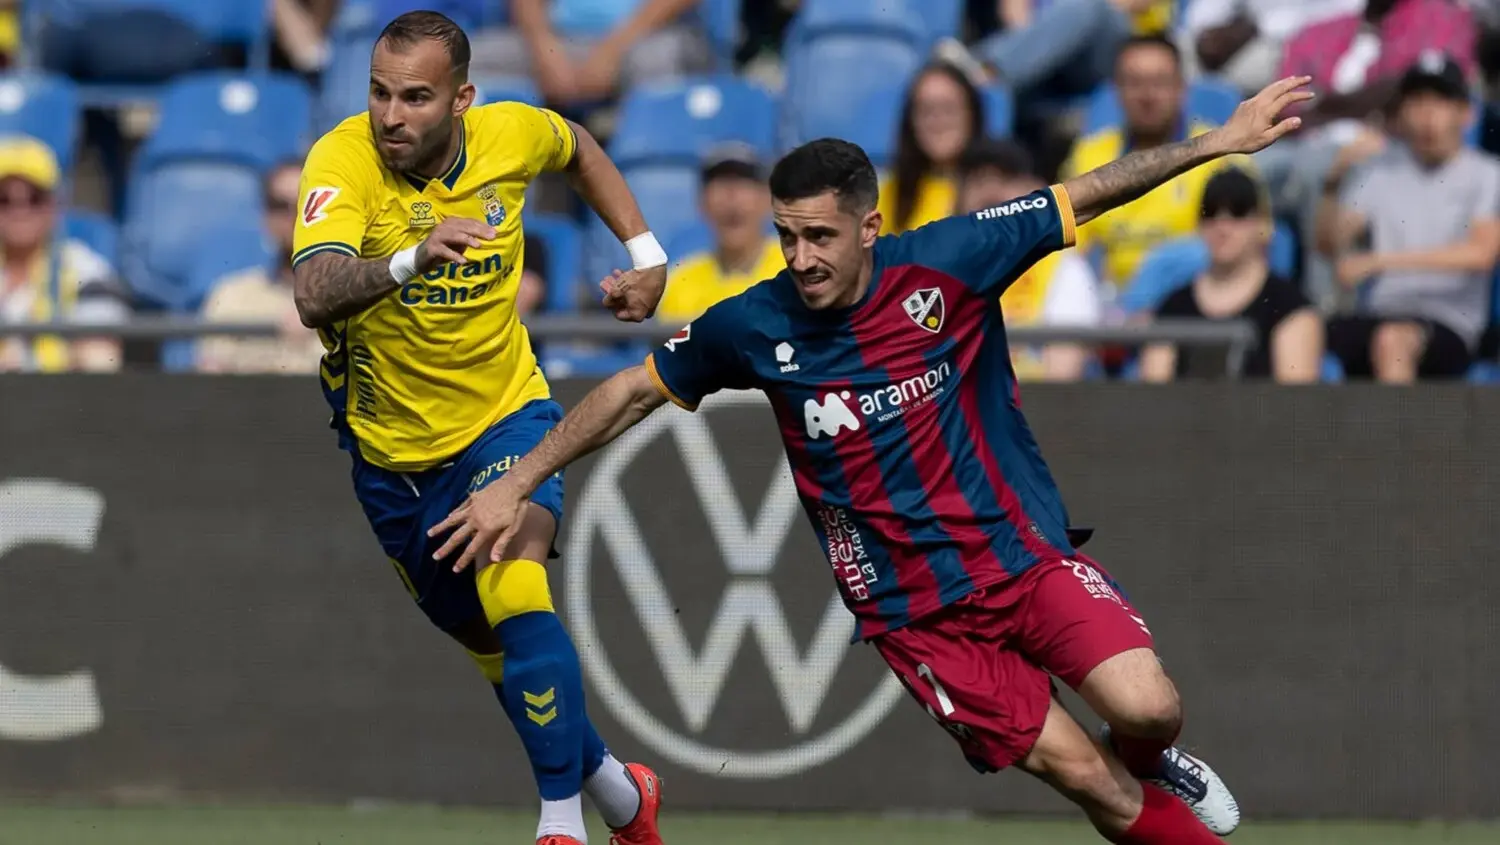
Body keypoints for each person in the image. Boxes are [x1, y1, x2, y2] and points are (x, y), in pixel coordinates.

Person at [433, 75, 1319, 845]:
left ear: (870, 225)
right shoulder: (755, 321)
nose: (801, 258)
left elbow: (1087, 191)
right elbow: (630, 390)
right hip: (915, 613)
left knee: (1149, 709)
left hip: (1021, 555)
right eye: (787, 236)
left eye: (820, 236)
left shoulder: (953, 259)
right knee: (1092, 783)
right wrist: (516, 480)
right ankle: (1145, 791)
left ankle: (1160, 760)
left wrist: (1220, 143)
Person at [288, 13, 668, 845]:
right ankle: (620, 793)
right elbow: (313, 292)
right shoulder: (342, 160)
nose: (392, 115)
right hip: (390, 457)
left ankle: (558, 825)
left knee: (513, 575)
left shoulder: (510, 135)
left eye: (416, 97)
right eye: (381, 93)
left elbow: (579, 148)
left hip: (505, 418)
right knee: (487, 639)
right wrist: (411, 258)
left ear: (462, 99)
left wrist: (646, 251)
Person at [1317, 52, 1500, 383]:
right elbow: (1330, 245)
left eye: (1440, 101)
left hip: (1451, 321)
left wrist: (1380, 261)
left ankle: (1398, 436)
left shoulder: (1488, 175)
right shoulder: (1379, 172)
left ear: (1466, 114)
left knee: (1393, 342)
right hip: (1380, 313)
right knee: (1302, 328)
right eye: (1417, 101)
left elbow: (1482, 254)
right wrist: (1334, 182)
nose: (1427, 114)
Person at [1064, 36, 1246, 291]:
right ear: (1116, 90)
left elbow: (1246, 250)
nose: (1147, 95)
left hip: (1197, 308)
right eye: (1135, 83)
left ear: (1181, 89)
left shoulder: (1219, 153)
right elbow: (1068, 252)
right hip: (1111, 313)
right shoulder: (1089, 154)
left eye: (1159, 82)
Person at [1140, 167, 1324, 382]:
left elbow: (1295, 405)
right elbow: (1153, 399)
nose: (1222, 226)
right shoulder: (1172, 308)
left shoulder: (1290, 307)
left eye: (1238, 212)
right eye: (1210, 212)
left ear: (1263, 223)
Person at [957, 138, 1102, 382]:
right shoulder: (937, 267)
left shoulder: (1063, 267)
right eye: (978, 181)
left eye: (1005, 179)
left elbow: (1062, 376)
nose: (991, 192)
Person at [0, 135, 125, 373]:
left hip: (58, 402)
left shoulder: (87, 270)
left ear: (55, 204)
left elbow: (102, 362)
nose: (20, 210)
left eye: (34, 198)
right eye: (4, 200)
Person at [199, 160, 325, 375]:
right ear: (265, 214)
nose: (291, 216)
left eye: (303, 203)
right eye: (279, 205)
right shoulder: (231, 295)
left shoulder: (352, 297)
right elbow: (211, 378)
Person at [658, 144, 782, 323]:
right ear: (702, 204)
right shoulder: (680, 282)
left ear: (768, 201)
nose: (731, 196)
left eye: (744, 183)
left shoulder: (797, 270)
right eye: (720, 184)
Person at [878, 62, 985, 235]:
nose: (938, 121)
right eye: (925, 111)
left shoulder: (999, 190)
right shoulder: (889, 192)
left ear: (972, 115)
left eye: (949, 109)